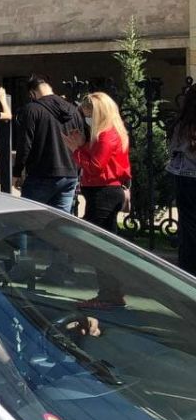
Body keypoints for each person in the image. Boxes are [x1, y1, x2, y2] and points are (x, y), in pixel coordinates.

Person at [66, 91, 132, 307]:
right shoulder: (111, 133)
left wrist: (76, 149)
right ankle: (112, 291)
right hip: (105, 191)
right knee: (105, 244)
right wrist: (82, 145)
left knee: (99, 246)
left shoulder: (106, 135)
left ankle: (108, 294)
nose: (87, 119)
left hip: (103, 192)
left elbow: (95, 166)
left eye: (88, 115)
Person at [13, 74, 85, 212]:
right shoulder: (73, 110)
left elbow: (25, 144)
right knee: (60, 220)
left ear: (32, 93)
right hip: (70, 173)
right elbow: (81, 142)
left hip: (41, 173)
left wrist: (17, 172)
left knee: (30, 218)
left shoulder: (32, 109)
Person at [168, 87, 196, 276]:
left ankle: (188, 271)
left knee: (188, 227)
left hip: (185, 177)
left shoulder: (182, 125)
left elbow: (173, 150)